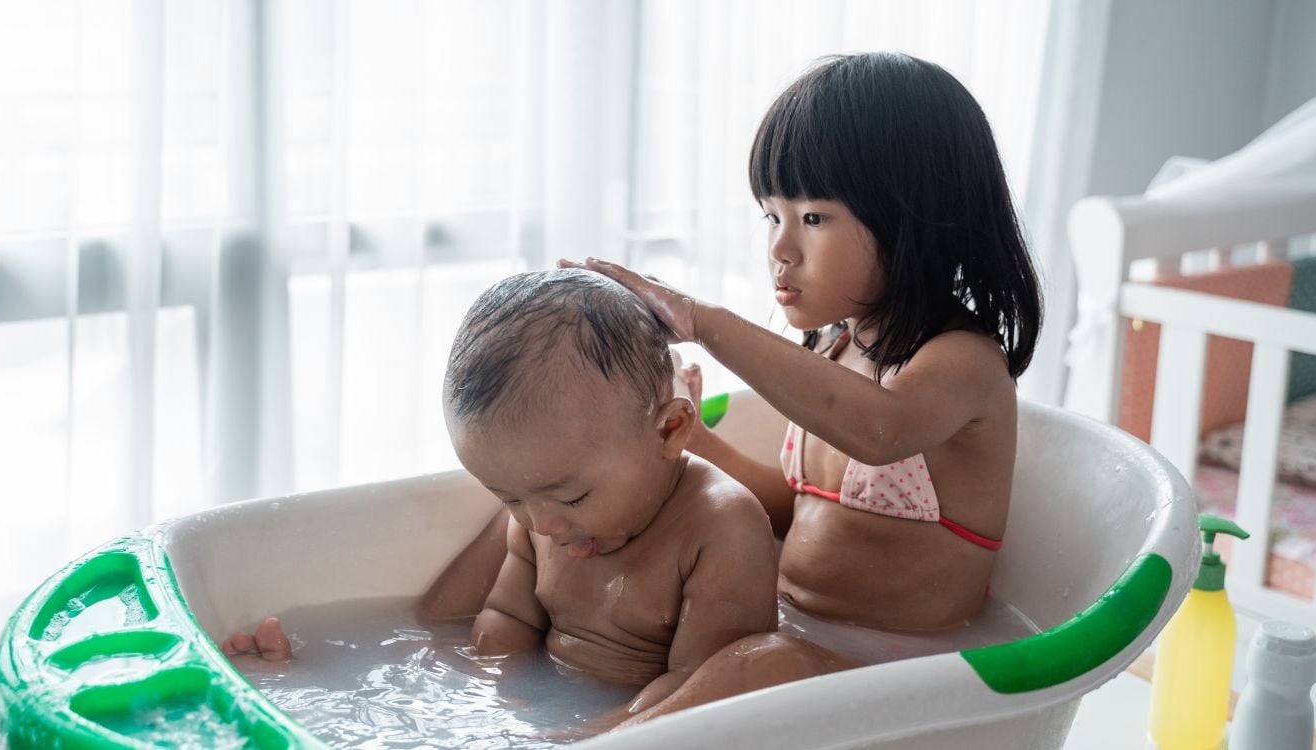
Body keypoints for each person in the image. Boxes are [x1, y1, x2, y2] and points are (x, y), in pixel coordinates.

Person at [431, 51, 1045, 725]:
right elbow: (793, 513)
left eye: (813, 218)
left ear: (919, 217)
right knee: (557, 528)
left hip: (905, 667)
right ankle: (449, 664)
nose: (782, 247)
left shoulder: (965, 364)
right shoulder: (836, 352)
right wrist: (696, 442)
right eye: (771, 216)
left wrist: (703, 322)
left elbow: (880, 431)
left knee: (761, 666)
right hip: (794, 632)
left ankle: (595, 742)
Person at [224, 269, 779, 729]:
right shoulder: (543, 515)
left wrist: (585, 736)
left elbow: (704, 697)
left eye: (572, 497)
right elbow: (505, 618)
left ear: (670, 429)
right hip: (546, 714)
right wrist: (473, 706)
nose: (540, 523)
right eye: (507, 497)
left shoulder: (721, 527)